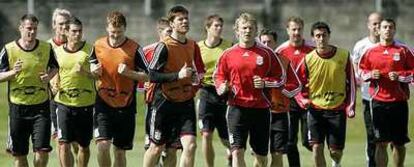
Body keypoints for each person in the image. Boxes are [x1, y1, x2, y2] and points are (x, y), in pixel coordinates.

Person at [214, 12, 285, 167]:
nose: (247, 31)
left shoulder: (267, 54)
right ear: (237, 31)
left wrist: (265, 83)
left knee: (261, 156)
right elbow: (218, 76)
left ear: (255, 30)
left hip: (260, 109)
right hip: (236, 108)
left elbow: (281, 79)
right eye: (244, 28)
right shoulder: (228, 54)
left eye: (250, 28)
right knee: (237, 151)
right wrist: (221, 87)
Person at [143, 5, 205, 167]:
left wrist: (195, 80)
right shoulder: (164, 46)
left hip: (185, 103)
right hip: (164, 102)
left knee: (190, 145)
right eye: (180, 19)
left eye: (186, 18)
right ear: (172, 24)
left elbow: (199, 72)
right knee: (156, 148)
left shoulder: (192, 45)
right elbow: (152, 75)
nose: (185, 21)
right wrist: (178, 75)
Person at [90, 11, 148, 167]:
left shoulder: (135, 48)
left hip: (126, 105)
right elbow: (92, 64)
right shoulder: (98, 45)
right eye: (112, 32)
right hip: (103, 103)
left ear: (125, 29)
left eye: (119, 32)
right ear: (107, 29)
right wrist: (93, 70)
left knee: (120, 151)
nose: (115, 36)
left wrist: (129, 73)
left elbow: (147, 76)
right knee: (102, 146)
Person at [0, 14, 58, 167]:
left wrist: (48, 76)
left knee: (42, 151)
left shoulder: (46, 47)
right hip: (18, 108)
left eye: (34, 29)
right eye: (28, 28)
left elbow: (55, 67)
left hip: (41, 108)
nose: (32, 32)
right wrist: (13, 73)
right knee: (19, 155)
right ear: (21, 28)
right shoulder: (8, 49)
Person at [296, 21, 356, 167]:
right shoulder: (307, 59)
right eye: (318, 36)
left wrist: (350, 106)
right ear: (313, 38)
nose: (321, 39)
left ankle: (336, 163)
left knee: (335, 151)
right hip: (315, 110)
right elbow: (296, 83)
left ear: (329, 36)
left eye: (324, 35)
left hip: (337, 109)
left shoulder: (343, 55)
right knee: (316, 147)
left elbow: (352, 83)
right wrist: (301, 99)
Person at [358, 18, 414, 167]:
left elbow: (413, 72)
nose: (387, 29)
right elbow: (361, 72)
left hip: (399, 102)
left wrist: (400, 76)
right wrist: (371, 75)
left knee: (399, 143)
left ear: (394, 30)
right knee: (381, 143)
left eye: (390, 27)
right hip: (378, 102)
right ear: (379, 30)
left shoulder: (403, 50)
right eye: (384, 27)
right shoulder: (369, 52)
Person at [54, 16, 95, 167]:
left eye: (79, 31)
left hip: (85, 104)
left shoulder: (90, 50)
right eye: (74, 31)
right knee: (63, 144)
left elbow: (98, 75)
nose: (77, 34)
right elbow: (54, 72)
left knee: (84, 146)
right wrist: (54, 83)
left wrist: (85, 73)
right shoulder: (57, 52)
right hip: (63, 103)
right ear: (66, 32)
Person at [275, 16, 314, 167]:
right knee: (290, 141)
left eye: (299, 29)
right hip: (289, 101)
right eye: (293, 29)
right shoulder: (281, 51)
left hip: (308, 101)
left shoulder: (311, 49)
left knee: (308, 141)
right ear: (287, 30)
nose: (296, 33)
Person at [259, 32, 302, 167]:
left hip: (280, 113)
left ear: (275, 43)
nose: (266, 45)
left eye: (269, 42)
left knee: (277, 155)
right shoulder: (255, 60)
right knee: (260, 158)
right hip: (259, 113)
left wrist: (281, 89)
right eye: (263, 42)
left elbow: (297, 85)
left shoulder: (284, 61)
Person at [142, 17, 180, 167]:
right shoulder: (147, 51)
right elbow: (140, 74)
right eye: (169, 31)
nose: (172, 34)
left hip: (175, 103)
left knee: (172, 149)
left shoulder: (179, 49)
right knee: (154, 147)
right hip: (154, 105)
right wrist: (142, 85)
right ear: (160, 32)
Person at [197, 14, 233, 167]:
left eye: (220, 26)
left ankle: (231, 155)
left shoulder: (229, 46)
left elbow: (234, 71)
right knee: (206, 134)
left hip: (224, 95)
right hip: (206, 93)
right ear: (207, 28)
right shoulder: (198, 47)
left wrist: (228, 85)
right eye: (215, 26)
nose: (219, 29)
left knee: (227, 139)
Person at [47, 8, 79, 166]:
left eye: (67, 23)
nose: (64, 27)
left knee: (78, 145)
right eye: (60, 24)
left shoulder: (78, 47)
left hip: (77, 100)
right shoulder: (46, 47)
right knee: (62, 142)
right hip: (55, 100)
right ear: (54, 25)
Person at [350, 12, 382, 167]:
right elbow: (355, 67)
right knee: (372, 135)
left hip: (393, 99)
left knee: (392, 139)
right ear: (368, 25)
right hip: (368, 97)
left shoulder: (397, 45)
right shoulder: (360, 46)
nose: (377, 27)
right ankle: (371, 163)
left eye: (379, 23)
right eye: (374, 23)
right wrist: (361, 79)